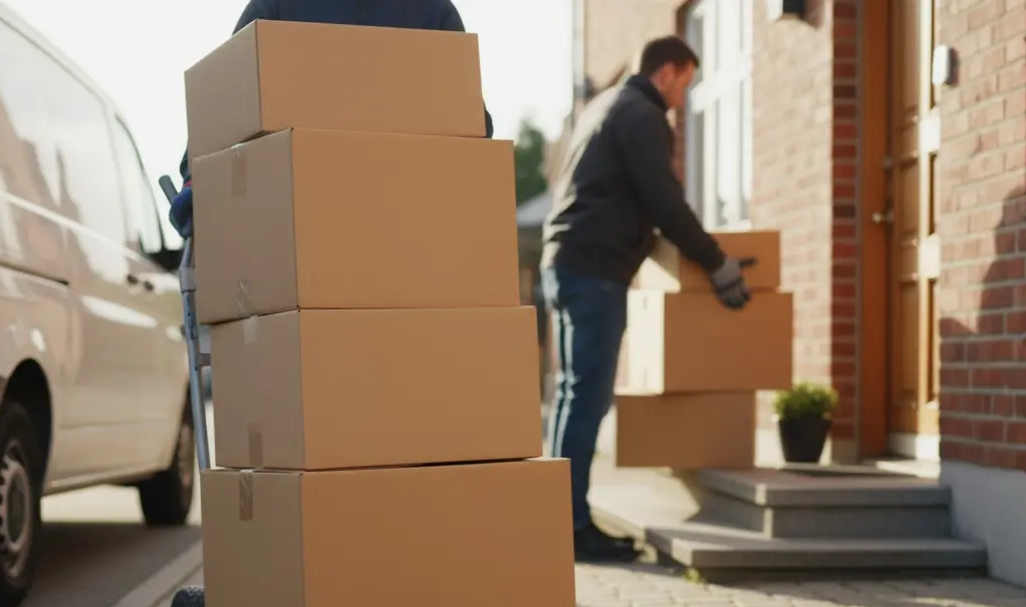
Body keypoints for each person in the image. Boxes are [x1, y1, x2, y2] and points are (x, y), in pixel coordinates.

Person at [541, 35, 752, 563]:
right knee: (586, 398)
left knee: (571, 395)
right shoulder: (642, 115)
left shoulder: (608, 105)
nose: (684, 99)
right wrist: (716, 262)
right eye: (686, 84)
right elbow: (664, 201)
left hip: (566, 261)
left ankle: (557, 519)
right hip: (593, 269)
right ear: (669, 72)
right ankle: (570, 528)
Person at [168, 0, 494, 238]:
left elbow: (472, 126)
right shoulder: (279, 7)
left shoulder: (432, 12)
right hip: (298, 219)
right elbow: (227, 99)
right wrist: (195, 180)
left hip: (404, 220)